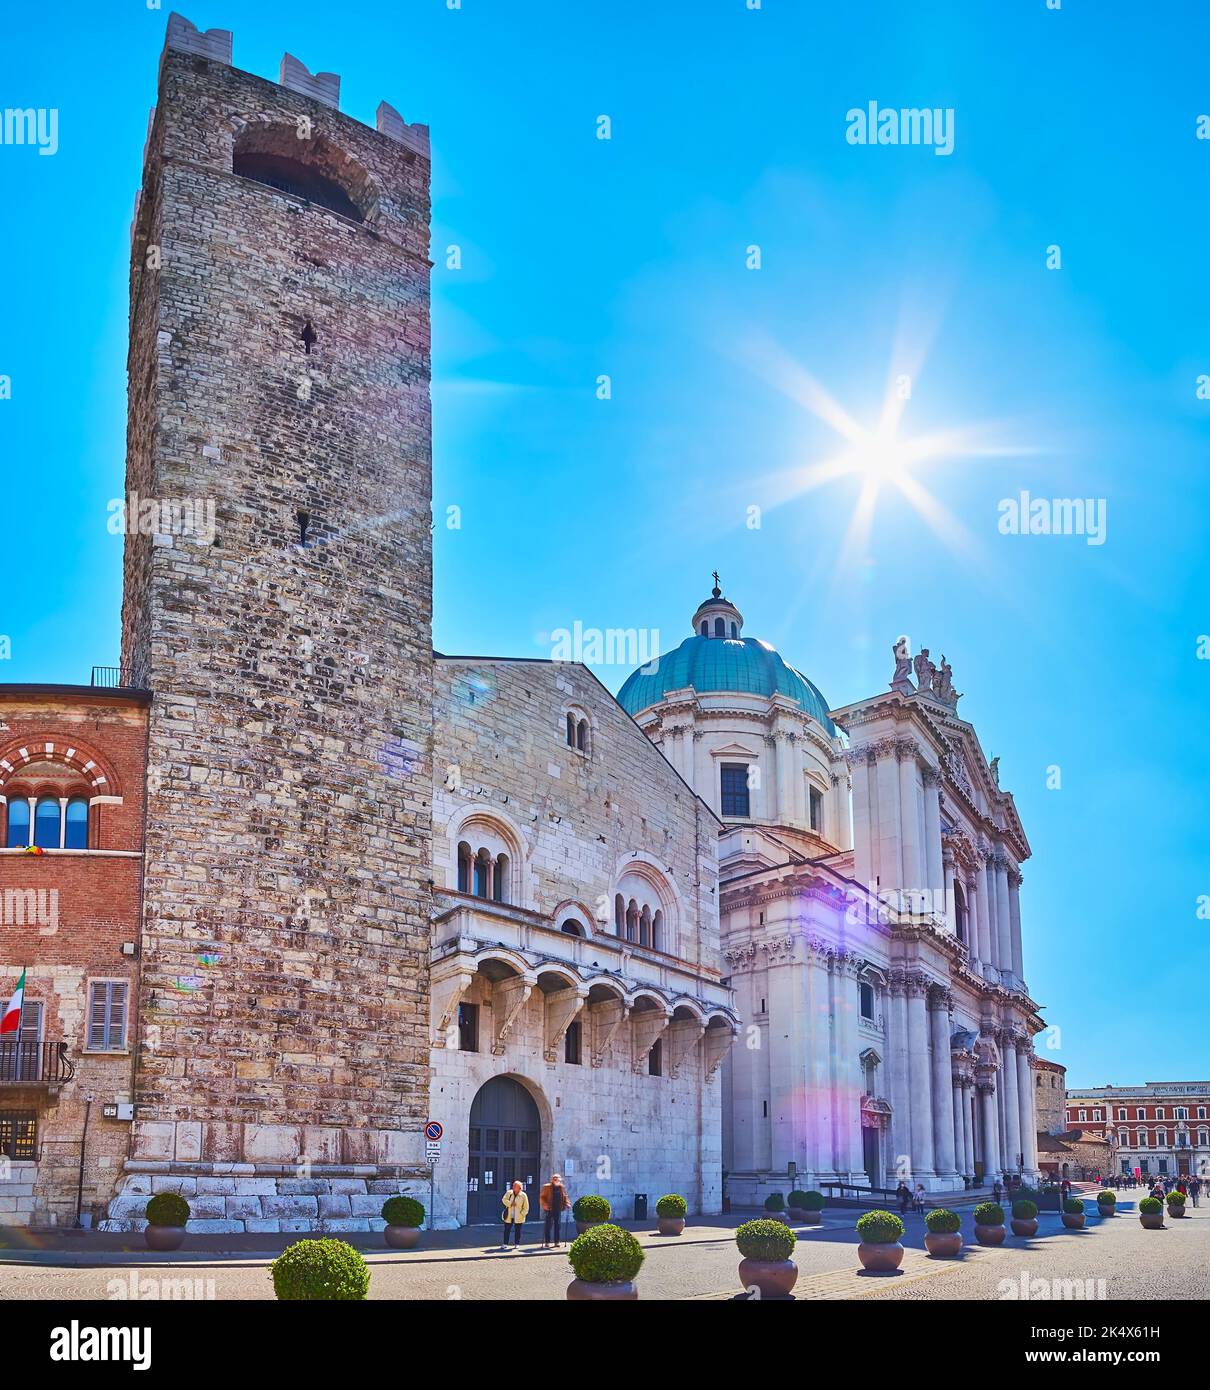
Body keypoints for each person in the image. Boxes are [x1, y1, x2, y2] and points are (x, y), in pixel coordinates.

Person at [540, 1173, 571, 1247]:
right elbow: (542, 1197)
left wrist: (567, 1203)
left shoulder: (561, 1187)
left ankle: (556, 1242)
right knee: (548, 1226)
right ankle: (547, 1242)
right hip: (549, 1209)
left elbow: (565, 1196)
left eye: (558, 1179)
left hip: (558, 1209)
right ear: (552, 1180)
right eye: (555, 1179)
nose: (556, 1180)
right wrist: (545, 1205)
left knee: (557, 1226)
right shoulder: (547, 1187)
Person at [501, 1180, 529, 1249]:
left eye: (515, 1186)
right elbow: (504, 1200)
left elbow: (526, 1206)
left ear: (519, 1188)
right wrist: (510, 1204)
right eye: (513, 1185)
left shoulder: (523, 1195)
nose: (513, 1187)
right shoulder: (509, 1193)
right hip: (509, 1215)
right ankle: (505, 1243)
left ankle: (517, 1243)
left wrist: (522, 1214)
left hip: (519, 1216)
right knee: (507, 1229)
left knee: (518, 1230)